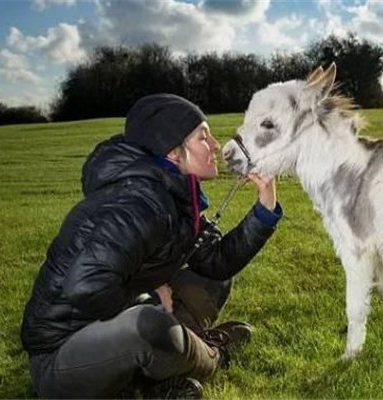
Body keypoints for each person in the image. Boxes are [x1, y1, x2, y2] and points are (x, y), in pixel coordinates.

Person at [20, 93, 282, 399]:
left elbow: (217, 261)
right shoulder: (136, 203)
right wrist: (145, 296)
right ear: (173, 152)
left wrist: (266, 205)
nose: (214, 146)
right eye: (203, 137)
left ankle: (164, 367)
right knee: (149, 324)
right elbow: (85, 287)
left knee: (215, 278)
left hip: (107, 328)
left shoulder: (176, 192)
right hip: (62, 358)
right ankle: (211, 355)